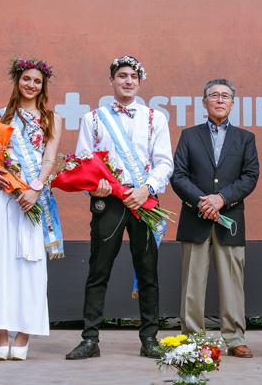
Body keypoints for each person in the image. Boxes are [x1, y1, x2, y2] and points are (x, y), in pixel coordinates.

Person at [65, 56, 173, 360]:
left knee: (148, 271)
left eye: (133, 77)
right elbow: (84, 160)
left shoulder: (155, 118)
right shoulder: (94, 119)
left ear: (140, 82)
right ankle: (90, 339)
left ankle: (149, 338)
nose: (128, 81)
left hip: (144, 201)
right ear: (112, 80)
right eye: (122, 75)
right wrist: (95, 184)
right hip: (108, 202)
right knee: (98, 269)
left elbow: (165, 161)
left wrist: (147, 188)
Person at [0, 59, 63, 361]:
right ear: (18, 81)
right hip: (3, 199)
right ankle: (0, 331)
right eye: (26, 79)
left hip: (33, 197)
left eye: (37, 81)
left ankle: (25, 331)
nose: (31, 85)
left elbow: (50, 159)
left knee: (31, 264)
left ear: (43, 85)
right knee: (0, 263)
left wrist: (36, 187)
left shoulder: (52, 119)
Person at [171, 79, 259, 358]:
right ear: (204, 102)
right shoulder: (189, 135)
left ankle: (234, 338)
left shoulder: (245, 138)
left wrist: (222, 199)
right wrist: (202, 201)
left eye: (225, 96)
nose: (220, 100)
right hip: (195, 218)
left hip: (230, 219)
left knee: (233, 281)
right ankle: (193, 337)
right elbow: (178, 175)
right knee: (192, 282)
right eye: (214, 96)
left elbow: (250, 176)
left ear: (232, 103)